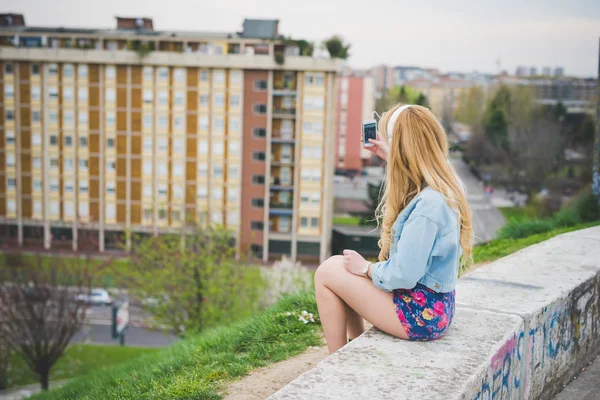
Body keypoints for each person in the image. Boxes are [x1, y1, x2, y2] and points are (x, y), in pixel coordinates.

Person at [314, 104, 473, 354]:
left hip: (419, 316)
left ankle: (335, 360)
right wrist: (392, 154)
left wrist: (366, 269)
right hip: (435, 309)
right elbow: (420, 164)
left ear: (402, 148)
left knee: (326, 272)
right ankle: (353, 350)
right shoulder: (446, 186)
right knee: (344, 269)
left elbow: (404, 275)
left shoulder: (427, 208)